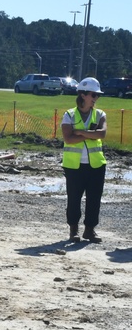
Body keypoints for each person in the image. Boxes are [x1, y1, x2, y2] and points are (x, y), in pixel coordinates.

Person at [61, 77, 108, 243]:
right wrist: (90, 134)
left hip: (96, 165)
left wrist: (80, 132)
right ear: (83, 95)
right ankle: (73, 230)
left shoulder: (100, 114)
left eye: (97, 95)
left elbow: (101, 134)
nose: (96, 98)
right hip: (74, 166)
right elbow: (68, 139)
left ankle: (90, 230)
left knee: (94, 199)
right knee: (74, 198)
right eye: (94, 95)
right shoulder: (69, 115)